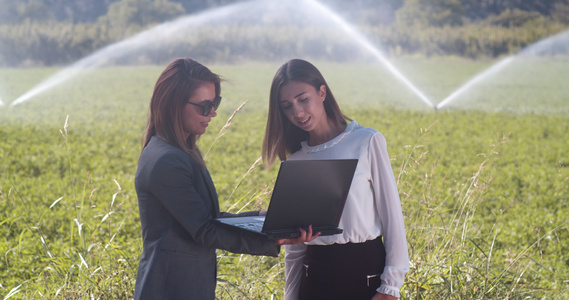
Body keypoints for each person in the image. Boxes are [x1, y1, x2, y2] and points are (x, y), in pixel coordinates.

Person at [134, 58, 318, 300]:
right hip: (171, 289)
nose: (213, 113)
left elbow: (207, 220)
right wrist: (275, 238)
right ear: (173, 105)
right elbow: (205, 230)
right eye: (204, 105)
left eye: (215, 103)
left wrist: (263, 218)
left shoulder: (178, 152)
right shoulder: (166, 160)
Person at [262, 59, 409, 300]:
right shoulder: (296, 162)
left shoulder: (366, 141)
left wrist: (391, 286)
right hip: (314, 282)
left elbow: (393, 217)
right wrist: (290, 297)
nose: (297, 113)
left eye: (303, 99)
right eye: (287, 106)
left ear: (322, 92)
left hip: (366, 278)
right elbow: (296, 250)